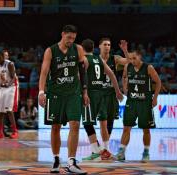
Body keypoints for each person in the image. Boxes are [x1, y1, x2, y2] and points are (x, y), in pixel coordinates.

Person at [38, 25, 88, 174]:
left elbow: (83, 71)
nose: (71, 41)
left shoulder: (78, 49)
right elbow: (44, 73)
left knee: (75, 125)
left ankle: (72, 161)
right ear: (62, 35)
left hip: (73, 93)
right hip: (55, 93)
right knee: (55, 127)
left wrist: (85, 92)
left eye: (73, 38)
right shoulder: (51, 51)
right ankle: (56, 158)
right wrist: (41, 92)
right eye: (68, 38)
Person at [80, 39, 123, 161]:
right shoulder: (99, 59)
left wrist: (84, 92)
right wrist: (118, 91)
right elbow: (112, 75)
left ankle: (96, 151)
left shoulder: (85, 60)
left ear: (82, 49)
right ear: (94, 48)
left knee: (88, 123)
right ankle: (105, 150)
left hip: (90, 93)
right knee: (103, 122)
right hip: (102, 94)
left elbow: (82, 77)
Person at [115, 50, 161, 162]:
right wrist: (124, 88)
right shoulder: (127, 66)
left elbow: (158, 82)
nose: (132, 60)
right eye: (130, 58)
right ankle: (121, 152)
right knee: (126, 128)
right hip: (131, 101)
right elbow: (124, 77)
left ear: (140, 57)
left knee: (146, 129)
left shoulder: (148, 68)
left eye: (134, 58)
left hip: (145, 102)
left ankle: (146, 152)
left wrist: (155, 98)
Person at [0, 50, 19, 139]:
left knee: (9, 110)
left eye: (0, 57)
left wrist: (7, 85)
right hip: (3, 87)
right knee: (0, 111)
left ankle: (15, 131)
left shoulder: (10, 64)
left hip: (11, 87)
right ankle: (0, 132)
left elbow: (14, 78)